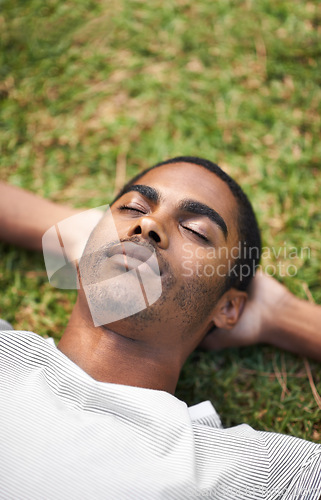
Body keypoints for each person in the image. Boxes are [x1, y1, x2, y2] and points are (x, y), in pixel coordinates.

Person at [0, 156, 320, 499]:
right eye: (134, 208)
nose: (150, 223)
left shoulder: (256, 474)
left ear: (227, 307)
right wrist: (91, 238)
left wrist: (283, 315)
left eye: (196, 230)